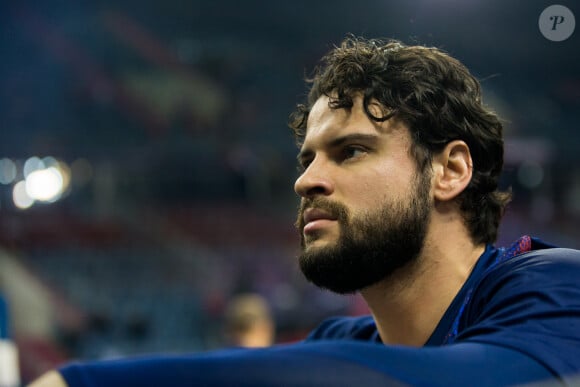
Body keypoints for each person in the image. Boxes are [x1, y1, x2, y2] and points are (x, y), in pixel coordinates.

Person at [30, 36, 580, 386]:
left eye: (352, 151)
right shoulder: (337, 345)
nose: (305, 180)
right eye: (308, 157)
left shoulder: (557, 288)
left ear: (450, 170)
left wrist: (85, 382)